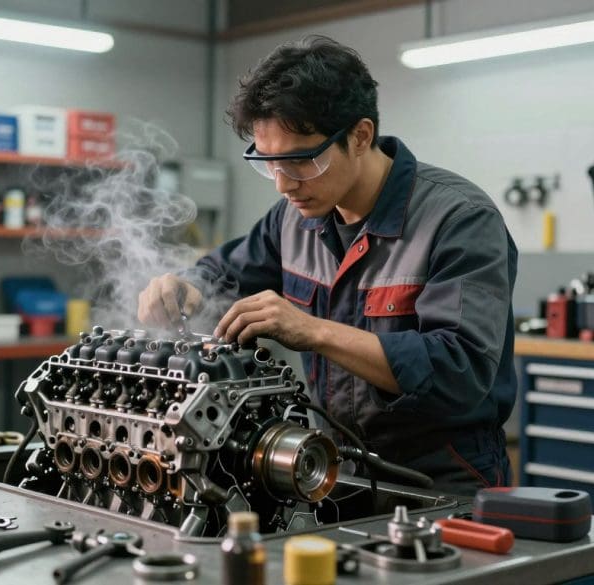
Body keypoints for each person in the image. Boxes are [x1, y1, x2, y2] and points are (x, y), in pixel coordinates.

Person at [138, 35, 517, 496]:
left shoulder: (458, 220)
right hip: (334, 464)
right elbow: (222, 276)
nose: (282, 185)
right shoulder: (292, 220)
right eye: (269, 162)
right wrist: (185, 285)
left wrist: (314, 330)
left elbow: (460, 370)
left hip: (447, 474)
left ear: (359, 136)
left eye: (300, 161)